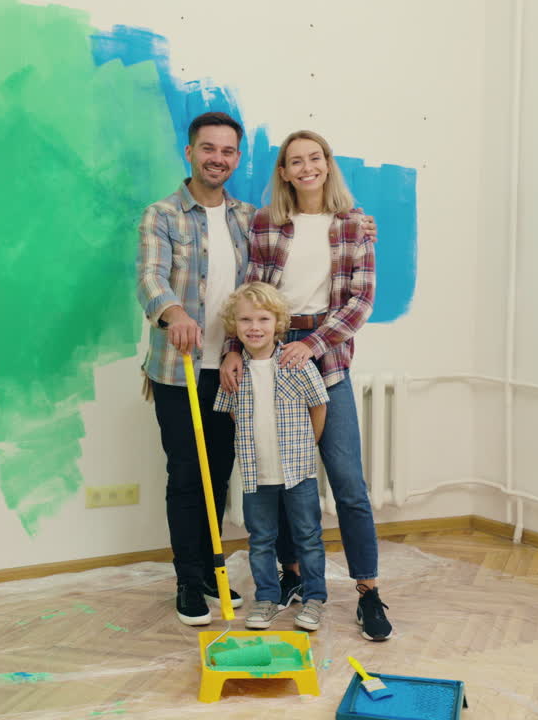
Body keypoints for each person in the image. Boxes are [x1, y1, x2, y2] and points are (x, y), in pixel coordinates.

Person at [220, 129, 393, 641]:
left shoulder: (354, 225)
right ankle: (292, 579)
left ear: (326, 164)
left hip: (326, 356)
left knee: (347, 482)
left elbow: (359, 303)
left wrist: (313, 344)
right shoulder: (267, 224)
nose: (306, 168)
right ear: (285, 172)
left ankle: (368, 591)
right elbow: (249, 290)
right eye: (295, 161)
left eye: (314, 158)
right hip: (269, 356)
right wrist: (235, 346)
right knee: (279, 474)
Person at [136, 112, 254, 626]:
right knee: (187, 474)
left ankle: (211, 568)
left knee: (220, 472)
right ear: (190, 153)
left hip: (230, 369)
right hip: (176, 370)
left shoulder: (248, 218)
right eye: (208, 149)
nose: (217, 159)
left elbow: (274, 269)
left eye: (228, 152)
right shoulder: (161, 214)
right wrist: (173, 312)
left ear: (237, 158)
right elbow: (149, 275)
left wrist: (359, 225)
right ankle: (187, 580)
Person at [214, 283, 329, 631]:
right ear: (234, 325)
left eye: (263, 318)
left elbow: (319, 406)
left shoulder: (296, 363)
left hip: (298, 472)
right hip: (256, 474)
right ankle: (266, 597)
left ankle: (314, 598)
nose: (254, 327)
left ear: (278, 322)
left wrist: (307, 447)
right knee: (260, 539)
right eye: (245, 319)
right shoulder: (234, 373)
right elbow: (232, 412)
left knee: (308, 535)